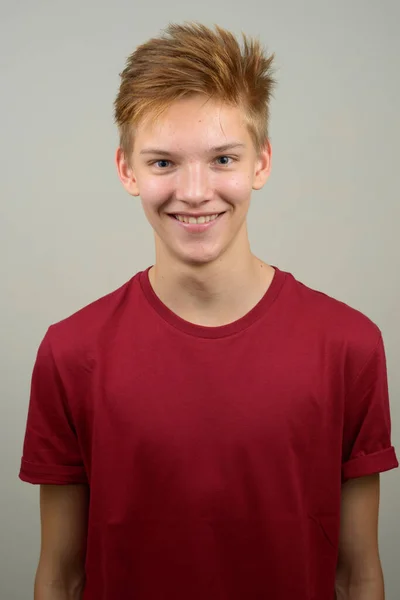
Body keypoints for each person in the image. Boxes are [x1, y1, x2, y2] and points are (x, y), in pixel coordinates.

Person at [20, 22, 398, 600]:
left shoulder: (348, 345)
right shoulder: (71, 354)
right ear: (127, 170)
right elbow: (60, 577)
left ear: (261, 163)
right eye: (163, 163)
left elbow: (359, 574)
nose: (195, 192)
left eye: (223, 158)